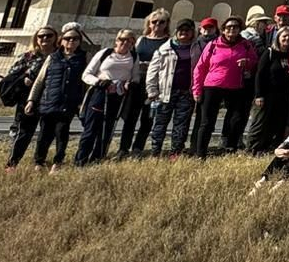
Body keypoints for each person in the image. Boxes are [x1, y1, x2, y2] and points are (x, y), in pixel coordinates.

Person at [191, 16, 259, 157]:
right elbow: (200, 68)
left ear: (240, 29)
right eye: (228, 27)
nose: (232, 29)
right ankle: (200, 153)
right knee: (207, 122)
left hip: (235, 86)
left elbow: (254, 61)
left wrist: (247, 62)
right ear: (223, 30)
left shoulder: (246, 45)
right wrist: (197, 90)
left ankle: (230, 149)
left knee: (235, 120)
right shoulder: (213, 44)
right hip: (212, 86)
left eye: (235, 27)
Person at [21, 27, 87, 171]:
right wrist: (31, 100)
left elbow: (85, 83)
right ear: (61, 41)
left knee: (62, 133)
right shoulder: (53, 57)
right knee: (44, 133)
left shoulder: (83, 58)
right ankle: (39, 162)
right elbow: (40, 80)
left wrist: (82, 102)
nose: (71, 41)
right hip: (49, 101)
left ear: (79, 42)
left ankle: (58, 162)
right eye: (68, 38)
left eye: (75, 39)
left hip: (68, 103)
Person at [76, 30, 137, 166]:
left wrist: (129, 83)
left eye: (130, 40)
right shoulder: (105, 53)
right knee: (91, 128)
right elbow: (86, 74)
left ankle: (97, 159)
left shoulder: (133, 56)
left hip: (118, 95)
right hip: (100, 92)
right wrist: (99, 82)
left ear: (133, 43)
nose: (125, 43)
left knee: (107, 128)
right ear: (116, 40)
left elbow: (135, 75)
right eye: (122, 39)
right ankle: (80, 160)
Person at [146, 17, 201, 157]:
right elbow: (153, 71)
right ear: (176, 32)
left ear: (192, 32)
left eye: (187, 30)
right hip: (165, 92)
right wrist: (152, 90)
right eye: (181, 30)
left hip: (186, 93)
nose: (184, 33)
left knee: (181, 124)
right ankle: (155, 151)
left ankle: (175, 152)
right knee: (160, 123)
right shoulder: (164, 49)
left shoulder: (196, 48)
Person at [3, 28, 56, 170]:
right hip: (28, 98)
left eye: (49, 35)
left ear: (55, 38)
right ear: (36, 39)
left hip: (51, 99)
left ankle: (39, 162)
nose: (45, 38)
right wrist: (23, 79)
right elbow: (11, 75)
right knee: (25, 132)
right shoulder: (28, 56)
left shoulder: (59, 55)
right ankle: (12, 164)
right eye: (41, 36)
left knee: (46, 132)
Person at [118, 10, 168, 157]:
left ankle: (138, 148)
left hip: (154, 84)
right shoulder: (140, 40)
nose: (157, 24)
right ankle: (123, 148)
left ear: (167, 24)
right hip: (137, 82)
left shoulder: (167, 42)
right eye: (154, 22)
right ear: (149, 23)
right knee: (130, 118)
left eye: (161, 22)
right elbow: (132, 59)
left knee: (147, 119)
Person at [247, 24, 289, 154]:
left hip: (283, 96)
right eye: (284, 36)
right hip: (266, 94)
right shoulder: (269, 52)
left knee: (275, 123)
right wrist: (258, 94)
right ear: (278, 37)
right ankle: (252, 148)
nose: (287, 39)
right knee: (260, 123)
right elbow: (260, 74)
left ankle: (266, 148)